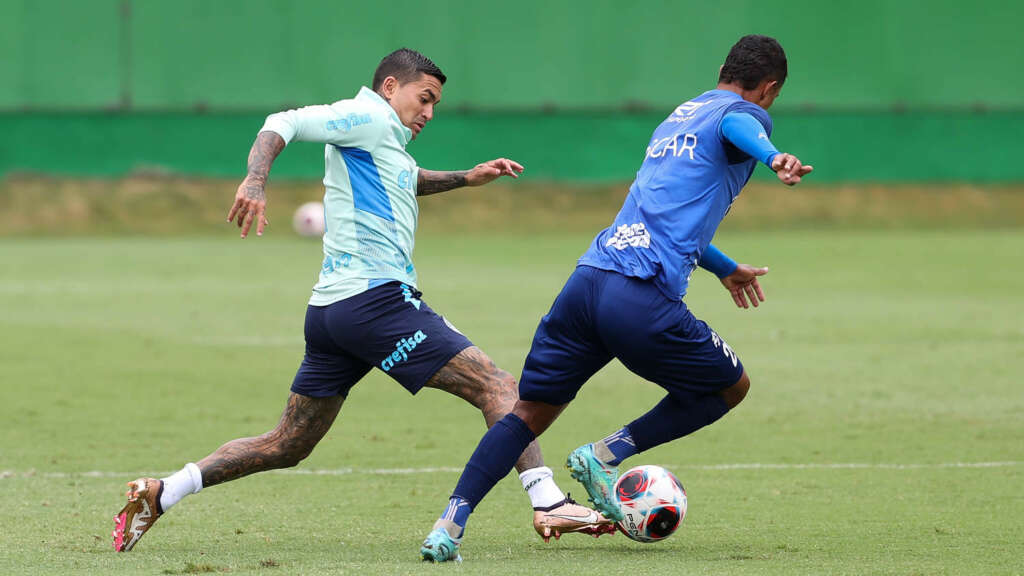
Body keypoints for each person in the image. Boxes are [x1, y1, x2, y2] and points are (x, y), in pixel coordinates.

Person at [112, 48, 613, 553]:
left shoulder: (384, 141)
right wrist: (256, 180)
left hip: (332, 313)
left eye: (435, 104)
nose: (429, 113)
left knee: (288, 443)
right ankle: (548, 500)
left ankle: (161, 492)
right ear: (391, 87)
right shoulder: (368, 116)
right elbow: (282, 122)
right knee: (498, 386)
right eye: (425, 98)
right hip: (377, 305)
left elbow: (405, 181)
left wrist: (466, 177)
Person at [420, 35, 813, 562]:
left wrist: (724, 268)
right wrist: (773, 157)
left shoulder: (678, 118)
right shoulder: (744, 116)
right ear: (769, 90)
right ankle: (606, 454)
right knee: (730, 387)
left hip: (588, 281)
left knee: (528, 412)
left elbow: (668, 218)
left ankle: (449, 525)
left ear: (722, 68)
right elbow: (738, 124)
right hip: (638, 296)